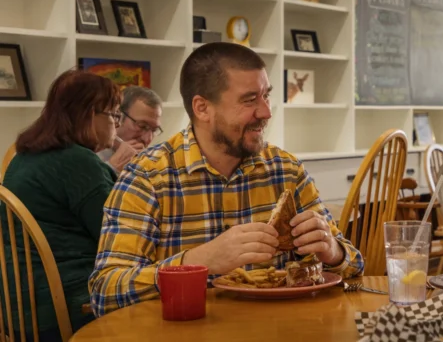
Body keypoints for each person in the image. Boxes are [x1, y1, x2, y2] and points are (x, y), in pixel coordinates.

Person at [89, 42, 364, 316]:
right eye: (250, 100)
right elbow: (106, 293)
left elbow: (354, 267)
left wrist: (333, 251)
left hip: (278, 329)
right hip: (186, 332)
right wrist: (200, 261)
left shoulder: (286, 171)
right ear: (202, 108)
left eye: (266, 96)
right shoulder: (148, 176)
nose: (266, 112)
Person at [2, 70, 120, 341]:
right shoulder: (78, 162)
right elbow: (117, 237)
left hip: (20, 308)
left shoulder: (23, 157)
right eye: (114, 115)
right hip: (67, 305)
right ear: (90, 114)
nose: (116, 123)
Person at [97, 86, 163, 173]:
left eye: (154, 130)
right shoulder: (88, 153)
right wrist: (112, 167)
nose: (147, 139)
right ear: (117, 117)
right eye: (142, 126)